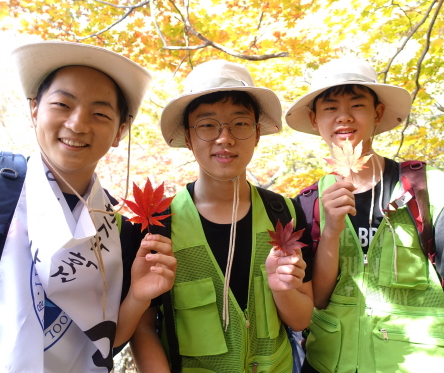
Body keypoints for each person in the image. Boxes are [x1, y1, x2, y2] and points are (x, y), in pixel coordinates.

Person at [0, 41, 176, 373]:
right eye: (62, 104)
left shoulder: (118, 233)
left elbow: (101, 345)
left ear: (120, 131)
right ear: (35, 109)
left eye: (100, 114)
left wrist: (138, 297)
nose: (77, 124)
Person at [285, 58, 444, 373]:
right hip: (332, 364)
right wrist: (332, 230)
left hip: (423, 363)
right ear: (314, 119)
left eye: (357, 105)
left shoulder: (425, 188)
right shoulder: (307, 204)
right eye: (330, 108)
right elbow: (318, 300)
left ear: (378, 113)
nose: (344, 117)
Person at [129, 59, 314, 373]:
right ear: (188, 137)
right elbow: (143, 325)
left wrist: (282, 289)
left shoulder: (285, 214)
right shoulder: (158, 224)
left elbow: (301, 319)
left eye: (240, 123)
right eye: (207, 125)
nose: (224, 138)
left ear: (257, 133)